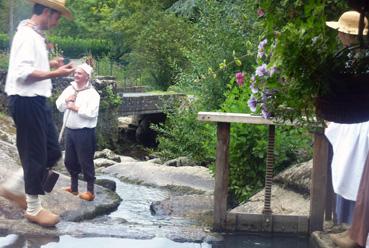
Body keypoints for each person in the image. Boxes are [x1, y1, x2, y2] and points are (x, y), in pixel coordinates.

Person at [0, 0, 75, 227]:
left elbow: (29, 66)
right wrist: (56, 73)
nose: (57, 22)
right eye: (56, 17)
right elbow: (23, 74)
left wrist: (50, 64)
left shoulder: (33, 35)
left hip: (36, 100)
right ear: (46, 12)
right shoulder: (26, 35)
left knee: (51, 153)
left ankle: (14, 188)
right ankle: (33, 208)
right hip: (26, 100)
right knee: (34, 155)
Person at [325, 10, 369, 248]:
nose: (339, 35)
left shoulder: (360, 60)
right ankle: (354, 230)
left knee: (359, 171)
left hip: (361, 121)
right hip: (356, 117)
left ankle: (356, 232)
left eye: (342, 32)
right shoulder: (352, 57)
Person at [56, 63, 100, 201]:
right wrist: (66, 101)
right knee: (69, 161)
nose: (76, 75)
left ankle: (90, 191)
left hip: (85, 132)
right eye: (75, 73)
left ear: (87, 77)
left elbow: (92, 113)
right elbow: (59, 106)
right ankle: (74, 188)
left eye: (79, 73)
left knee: (85, 161)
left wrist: (75, 108)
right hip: (70, 130)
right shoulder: (70, 89)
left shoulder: (93, 94)